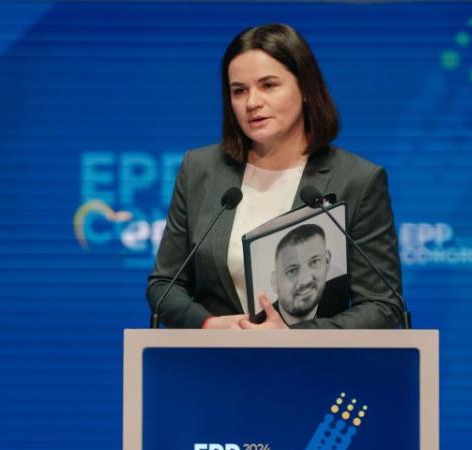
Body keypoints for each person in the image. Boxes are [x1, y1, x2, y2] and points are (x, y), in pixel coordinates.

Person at [147, 23, 403, 329]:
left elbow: (382, 305)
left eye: (268, 85)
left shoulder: (357, 180)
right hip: (212, 365)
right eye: (239, 90)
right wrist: (208, 324)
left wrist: (294, 337)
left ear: (306, 89)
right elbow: (164, 284)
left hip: (313, 370)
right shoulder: (199, 169)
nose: (252, 102)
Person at [256, 223, 350, 325]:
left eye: (315, 262)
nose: (306, 280)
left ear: (327, 261)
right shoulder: (258, 326)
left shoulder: (344, 293)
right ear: (275, 282)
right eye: (292, 270)